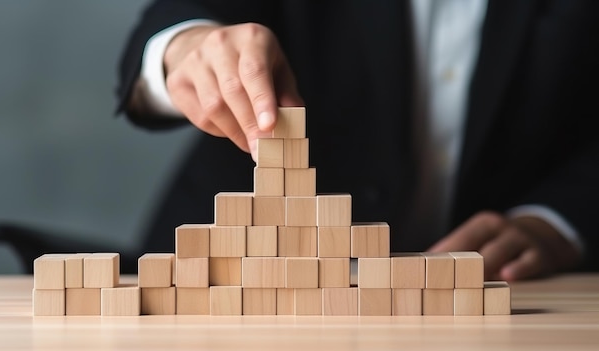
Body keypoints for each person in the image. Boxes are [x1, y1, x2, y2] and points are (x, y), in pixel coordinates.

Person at [117, 0, 599, 281]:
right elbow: (172, 18)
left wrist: (556, 220)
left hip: (502, 287)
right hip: (227, 278)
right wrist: (187, 48)